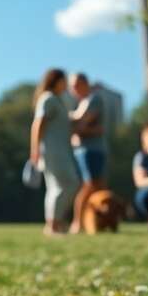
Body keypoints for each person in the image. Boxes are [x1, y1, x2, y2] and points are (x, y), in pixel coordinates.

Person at [30, 69, 80, 235]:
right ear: (56, 80)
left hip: (60, 151)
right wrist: (35, 150)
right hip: (53, 152)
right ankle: (54, 223)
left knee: (55, 188)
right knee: (68, 184)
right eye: (64, 80)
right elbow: (38, 124)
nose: (66, 84)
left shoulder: (57, 100)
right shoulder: (48, 98)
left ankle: (53, 224)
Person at [67, 72, 107, 234]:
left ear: (85, 83)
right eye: (71, 86)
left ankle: (87, 223)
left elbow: (83, 121)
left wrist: (71, 123)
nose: (73, 89)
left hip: (92, 150)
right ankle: (80, 222)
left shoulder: (93, 99)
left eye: (76, 85)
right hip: (86, 150)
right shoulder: (84, 102)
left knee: (94, 187)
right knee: (91, 186)